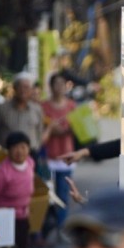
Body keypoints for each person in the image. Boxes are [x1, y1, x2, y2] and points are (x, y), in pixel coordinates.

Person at [41, 72, 77, 230]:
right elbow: (44, 128)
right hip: (48, 156)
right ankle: (47, 228)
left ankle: (61, 226)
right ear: (51, 86)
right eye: (56, 84)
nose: (59, 87)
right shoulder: (44, 106)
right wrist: (60, 130)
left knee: (63, 193)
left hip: (66, 156)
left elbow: (77, 127)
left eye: (62, 84)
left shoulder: (71, 106)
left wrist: (59, 129)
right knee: (47, 195)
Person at [0, 72, 44, 151]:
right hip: (6, 155)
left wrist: (36, 147)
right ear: (14, 88)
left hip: (31, 155)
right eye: (20, 87)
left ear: (31, 90)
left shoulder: (37, 109)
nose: (23, 91)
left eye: (26, 87)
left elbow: (39, 132)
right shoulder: (1, 109)